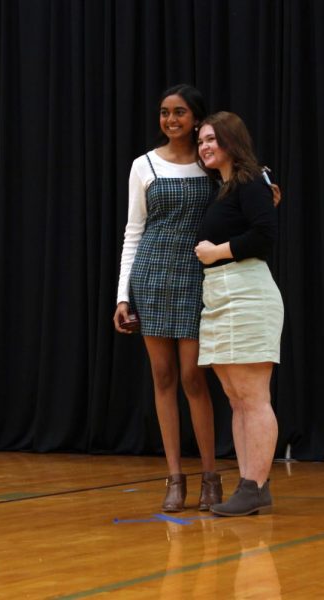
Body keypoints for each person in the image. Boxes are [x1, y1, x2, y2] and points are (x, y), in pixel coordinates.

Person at [113, 84, 222, 512]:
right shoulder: (144, 165)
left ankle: (210, 477)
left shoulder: (210, 161)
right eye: (164, 113)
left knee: (195, 378)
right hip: (152, 277)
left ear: (196, 119)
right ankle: (174, 477)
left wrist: (268, 190)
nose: (171, 120)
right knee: (163, 378)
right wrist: (123, 295)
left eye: (179, 113)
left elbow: (248, 180)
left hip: (196, 276)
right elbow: (133, 232)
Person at [194, 111, 283, 517]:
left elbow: (265, 235)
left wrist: (218, 252)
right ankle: (252, 485)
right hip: (221, 293)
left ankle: (254, 484)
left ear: (231, 140)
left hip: (246, 291)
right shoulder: (227, 187)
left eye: (212, 139)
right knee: (235, 398)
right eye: (201, 142)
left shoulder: (250, 180)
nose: (205, 147)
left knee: (252, 397)